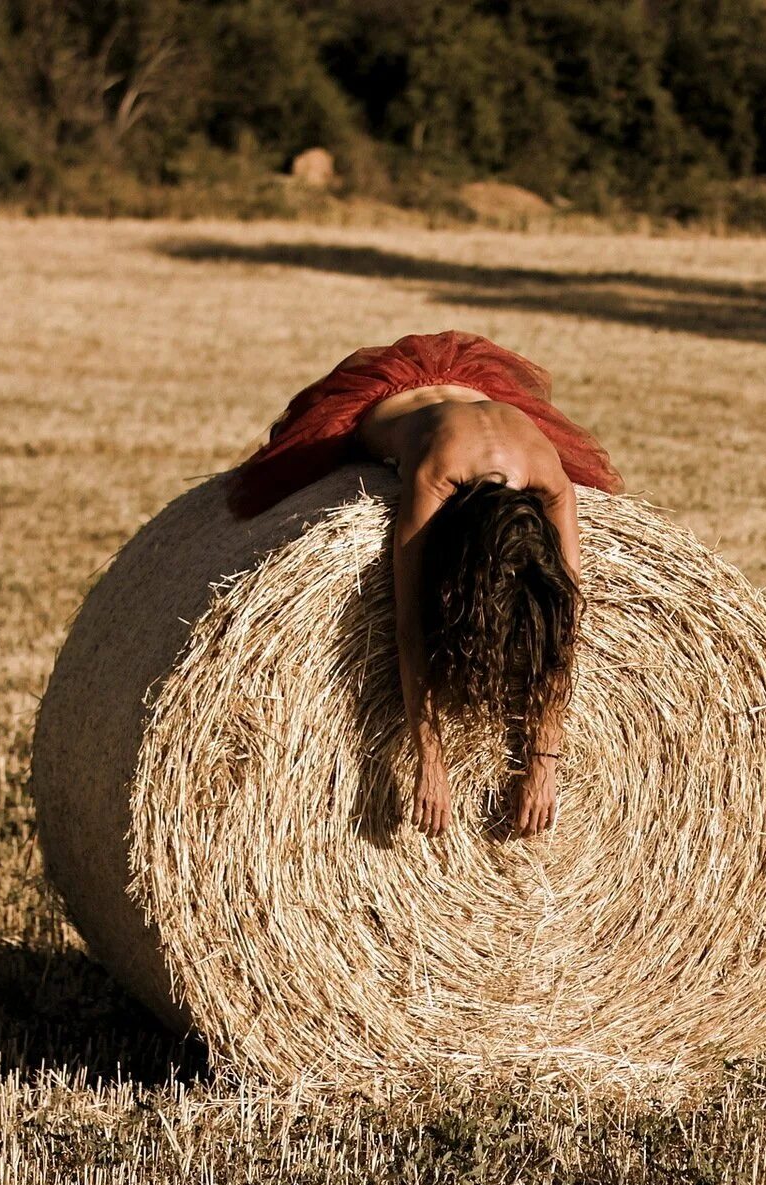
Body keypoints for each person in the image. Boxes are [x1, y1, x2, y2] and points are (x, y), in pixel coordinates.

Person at [228, 331, 623, 839]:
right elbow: (410, 623)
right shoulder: (437, 474)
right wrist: (429, 758)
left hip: (478, 394)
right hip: (389, 401)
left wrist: (544, 761)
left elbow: (563, 629)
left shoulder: (552, 480)